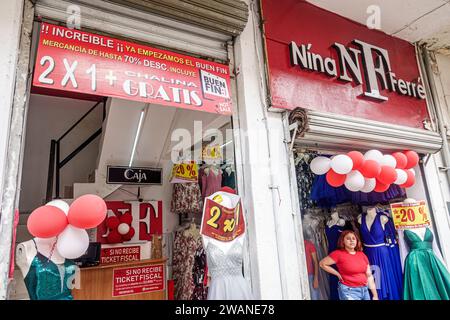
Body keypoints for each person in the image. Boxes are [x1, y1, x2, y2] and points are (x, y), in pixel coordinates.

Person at [319, 230, 378, 300]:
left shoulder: (362, 255)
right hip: (349, 291)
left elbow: (369, 275)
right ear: (343, 241)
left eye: (354, 238)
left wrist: (375, 295)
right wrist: (337, 273)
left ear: (357, 241)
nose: (351, 240)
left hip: (364, 290)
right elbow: (322, 264)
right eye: (348, 238)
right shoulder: (338, 254)